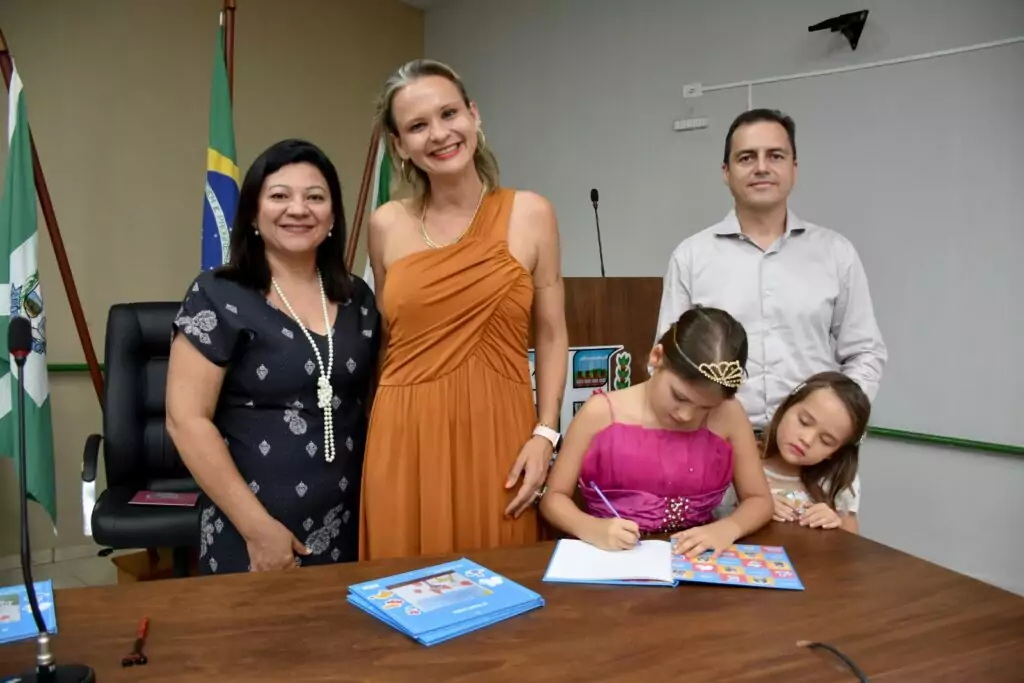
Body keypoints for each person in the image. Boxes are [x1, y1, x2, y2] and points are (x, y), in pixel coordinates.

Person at [360, 59, 568, 560]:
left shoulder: (531, 213)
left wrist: (546, 433)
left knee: (500, 590)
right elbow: (391, 336)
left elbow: (553, 333)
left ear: (473, 115)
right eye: (417, 125)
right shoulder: (386, 224)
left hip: (499, 431)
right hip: (404, 433)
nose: (438, 133)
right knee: (404, 591)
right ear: (399, 145)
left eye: (448, 113)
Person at [166, 139, 380, 575]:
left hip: (351, 521)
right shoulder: (217, 294)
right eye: (279, 195)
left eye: (315, 197)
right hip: (249, 531)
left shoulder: (358, 298)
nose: (298, 209)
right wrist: (257, 528)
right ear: (254, 215)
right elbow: (185, 420)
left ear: (333, 216)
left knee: (345, 642)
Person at [655, 108, 887, 439]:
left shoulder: (836, 253)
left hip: (814, 457)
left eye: (775, 156)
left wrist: (835, 423)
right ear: (726, 171)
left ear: (794, 169)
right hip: (715, 447)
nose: (761, 167)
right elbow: (666, 361)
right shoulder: (691, 257)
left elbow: (865, 352)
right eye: (747, 157)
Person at [539, 307, 773, 558]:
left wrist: (728, 528)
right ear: (657, 356)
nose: (686, 415)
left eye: (706, 408)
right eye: (679, 396)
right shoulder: (600, 413)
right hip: (611, 559)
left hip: (696, 562)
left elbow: (759, 499)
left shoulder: (729, 415)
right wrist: (592, 528)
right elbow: (553, 499)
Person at [719, 371, 870, 534]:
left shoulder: (836, 481)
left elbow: (851, 542)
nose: (807, 439)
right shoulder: (740, 459)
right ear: (786, 407)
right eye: (804, 422)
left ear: (835, 452)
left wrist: (835, 522)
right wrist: (756, 507)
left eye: (826, 441)